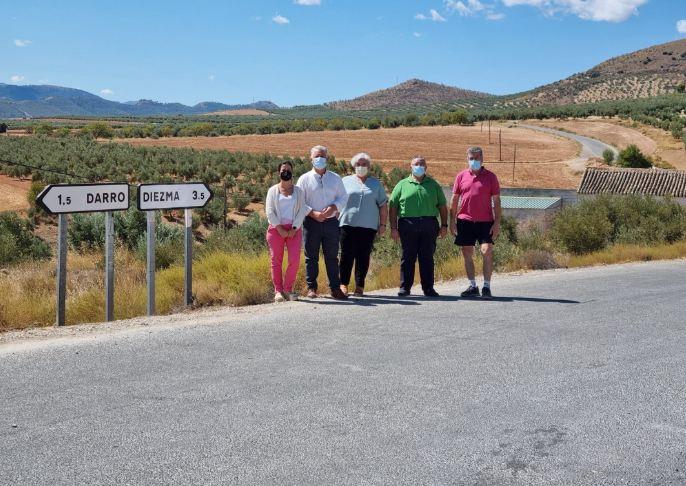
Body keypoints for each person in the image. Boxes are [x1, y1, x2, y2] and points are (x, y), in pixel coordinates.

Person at [388, 156, 448, 297]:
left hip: (429, 224)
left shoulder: (433, 185)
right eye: (416, 164)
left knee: (427, 257)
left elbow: (443, 206)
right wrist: (393, 228)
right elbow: (393, 207)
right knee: (407, 257)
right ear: (410, 166)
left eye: (422, 164)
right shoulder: (402, 184)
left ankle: (428, 288)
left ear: (426, 167)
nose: (419, 166)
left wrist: (444, 225)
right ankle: (405, 288)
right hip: (407, 224)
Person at [296, 145, 350, 300]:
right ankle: (311, 288)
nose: (320, 159)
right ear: (311, 159)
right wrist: (313, 213)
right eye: (317, 156)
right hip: (311, 223)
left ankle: (335, 288)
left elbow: (343, 197)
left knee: (332, 256)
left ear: (327, 158)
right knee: (311, 256)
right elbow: (299, 201)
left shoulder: (335, 178)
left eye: (323, 156)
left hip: (331, 222)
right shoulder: (304, 179)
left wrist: (334, 207)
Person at [450, 146, 502, 300]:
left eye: (477, 158)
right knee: (467, 253)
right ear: (467, 159)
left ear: (482, 159)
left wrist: (497, 222)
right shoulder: (461, 176)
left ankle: (486, 286)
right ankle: (473, 286)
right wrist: (451, 221)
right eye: (471, 158)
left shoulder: (491, 177)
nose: (474, 161)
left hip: (486, 221)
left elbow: (497, 201)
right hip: (464, 220)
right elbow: (454, 200)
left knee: (486, 251)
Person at [339, 153, 388, 297]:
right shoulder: (345, 181)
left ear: (369, 166)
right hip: (347, 223)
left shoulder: (375, 184)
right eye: (358, 164)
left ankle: (359, 286)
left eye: (364, 164)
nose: (361, 167)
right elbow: (337, 201)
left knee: (363, 256)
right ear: (354, 166)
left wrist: (383, 224)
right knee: (346, 255)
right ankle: (343, 284)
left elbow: (383, 205)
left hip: (368, 226)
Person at [265, 161, 310, 302]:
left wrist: (294, 228)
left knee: (294, 260)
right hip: (275, 229)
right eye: (283, 170)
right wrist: (279, 228)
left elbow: (302, 209)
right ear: (279, 173)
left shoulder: (299, 191)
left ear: (292, 172)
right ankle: (278, 291)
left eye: (288, 169)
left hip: (294, 230)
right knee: (276, 260)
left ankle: (288, 289)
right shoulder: (272, 191)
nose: (286, 172)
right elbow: (269, 211)